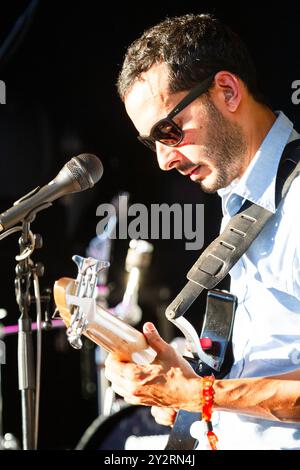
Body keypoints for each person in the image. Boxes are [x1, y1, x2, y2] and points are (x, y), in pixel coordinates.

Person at [104, 13, 300, 450]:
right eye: (149, 141)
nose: (162, 159)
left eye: (168, 131)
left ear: (227, 91)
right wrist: (189, 378)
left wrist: (197, 393)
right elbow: (272, 362)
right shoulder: (239, 196)